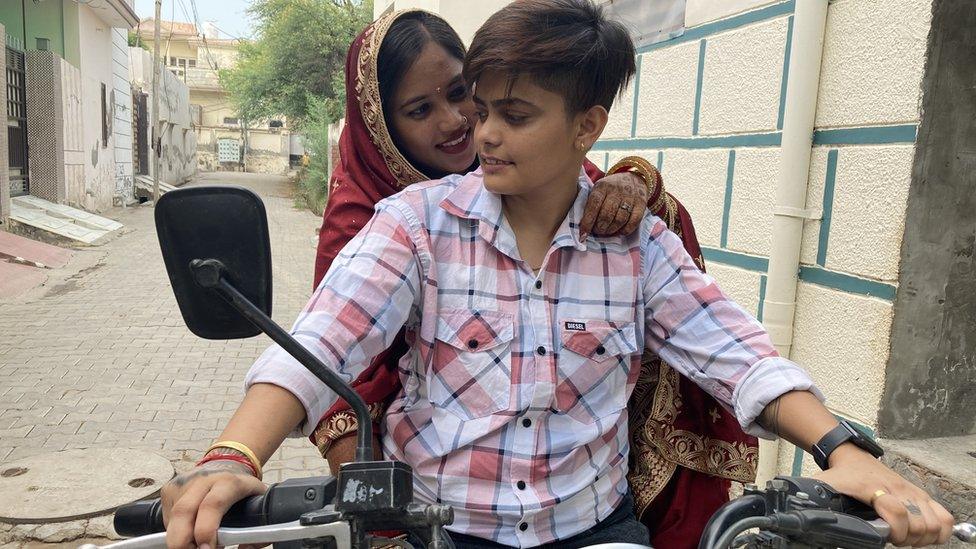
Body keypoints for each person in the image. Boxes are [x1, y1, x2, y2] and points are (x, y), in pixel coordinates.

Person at [161, 2, 955, 548]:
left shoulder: (638, 246)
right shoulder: (416, 226)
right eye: (482, 107)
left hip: (593, 528)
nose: (481, 132)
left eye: (515, 114)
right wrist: (235, 453)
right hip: (442, 528)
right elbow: (321, 341)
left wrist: (841, 446)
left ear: (588, 126)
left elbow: (738, 353)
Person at [310, 9, 756, 547]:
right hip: (430, 504)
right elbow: (324, 359)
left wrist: (634, 185)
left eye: (460, 96)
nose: (461, 124)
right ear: (380, 124)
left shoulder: (554, 194)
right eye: (420, 109)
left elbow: (723, 337)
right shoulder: (392, 219)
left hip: (585, 500)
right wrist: (382, 524)